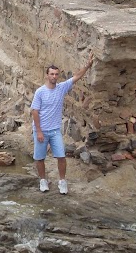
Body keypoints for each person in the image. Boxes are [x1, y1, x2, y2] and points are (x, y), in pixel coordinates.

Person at [31, 51, 94, 194]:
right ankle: (43, 180)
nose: (54, 76)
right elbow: (35, 111)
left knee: (61, 156)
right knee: (40, 157)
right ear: (47, 75)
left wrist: (88, 65)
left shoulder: (61, 88)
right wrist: (39, 131)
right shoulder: (40, 92)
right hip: (41, 130)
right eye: (51, 74)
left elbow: (77, 76)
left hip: (55, 130)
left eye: (56, 74)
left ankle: (62, 181)